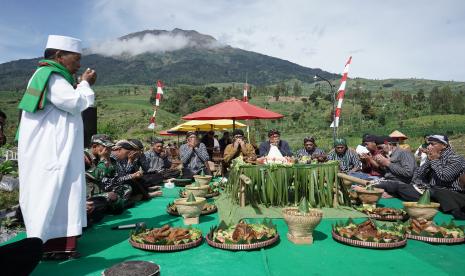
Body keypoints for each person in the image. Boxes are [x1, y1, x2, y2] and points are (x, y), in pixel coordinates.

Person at [17, 35, 96, 259]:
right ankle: (45, 247)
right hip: (51, 153)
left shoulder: (53, 76)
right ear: (59, 56)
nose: (79, 64)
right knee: (51, 194)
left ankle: (59, 246)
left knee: (63, 195)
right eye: (76, 58)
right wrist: (85, 83)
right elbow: (76, 102)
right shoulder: (51, 76)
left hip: (57, 150)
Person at [378, 135, 465, 220]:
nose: (429, 146)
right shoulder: (433, 157)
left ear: (444, 145)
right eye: (428, 144)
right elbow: (418, 175)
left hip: (450, 193)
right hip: (430, 192)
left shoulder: (456, 159)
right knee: (397, 187)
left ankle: (454, 209)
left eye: (432, 144)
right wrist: (430, 160)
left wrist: (434, 160)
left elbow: (445, 177)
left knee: (437, 191)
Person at [85, 134, 132, 216]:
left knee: (126, 188)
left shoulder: (105, 157)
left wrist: (109, 161)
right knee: (112, 197)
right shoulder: (85, 157)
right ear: (95, 146)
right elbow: (97, 176)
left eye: (110, 147)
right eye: (107, 147)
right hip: (86, 197)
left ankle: (111, 206)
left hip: (100, 191)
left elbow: (113, 175)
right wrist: (103, 160)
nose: (109, 150)